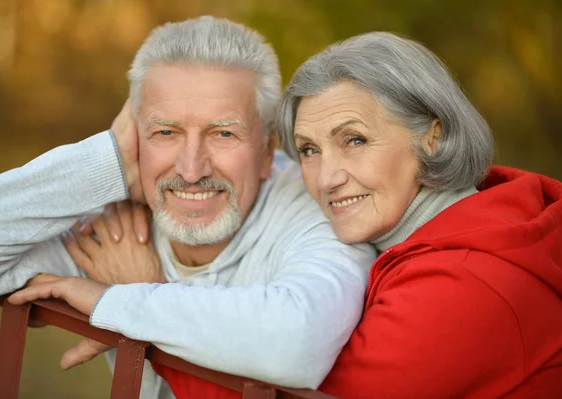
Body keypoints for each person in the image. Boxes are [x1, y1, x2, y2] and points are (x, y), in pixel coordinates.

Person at [117, 32, 562, 398]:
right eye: (310, 150)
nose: (326, 178)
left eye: (354, 140)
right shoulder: (467, 221)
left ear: (432, 136)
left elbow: (287, 393)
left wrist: (143, 295)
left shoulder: (466, 282)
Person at [0, 17, 375, 398]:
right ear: (133, 138)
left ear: (268, 150)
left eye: (223, 133)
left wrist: (127, 298)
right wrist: (105, 165)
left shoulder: (321, 208)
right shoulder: (117, 224)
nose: (192, 169)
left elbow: (296, 346)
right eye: (165, 131)